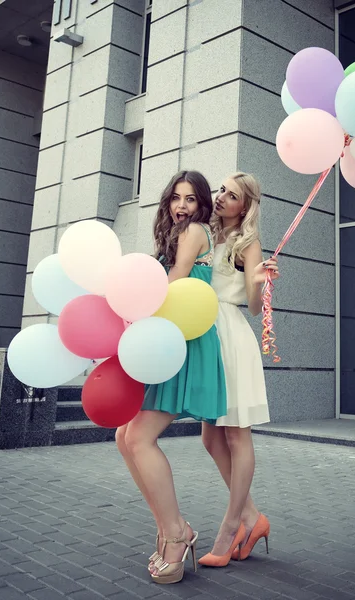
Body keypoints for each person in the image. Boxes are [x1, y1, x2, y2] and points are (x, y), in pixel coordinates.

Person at [115, 170, 227, 585]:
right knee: (124, 437)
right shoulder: (174, 234)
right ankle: (169, 527)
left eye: (191, 198)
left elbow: (177, 277)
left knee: (140, 437)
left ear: (202, 205)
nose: (182, 205)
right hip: (167, 338)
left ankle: (178, 534)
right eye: (176, 198)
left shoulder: (195, 231)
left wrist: (137, 308)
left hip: (186, 341)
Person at [198, 172, 279, 568]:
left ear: (244, 207)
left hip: (230, 335)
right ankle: (252, 516)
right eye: (222, 190)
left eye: (232, 195)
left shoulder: (248, 243)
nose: (222, 197)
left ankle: (232, 526)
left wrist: (260, 278)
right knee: (210, 439)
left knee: (235, 434)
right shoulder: (206, 234)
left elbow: (251, 305)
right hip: (206, 337)